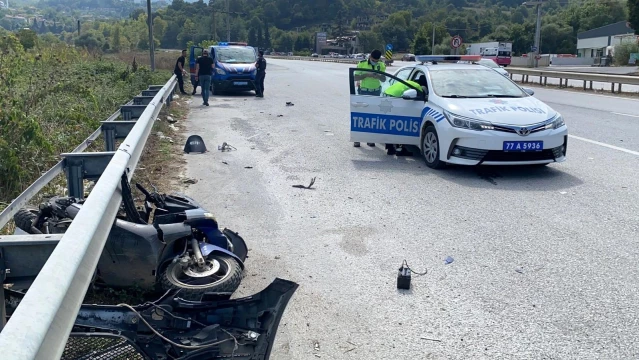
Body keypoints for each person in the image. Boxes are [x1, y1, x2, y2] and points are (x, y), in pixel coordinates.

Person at [352, 49, 386, 148]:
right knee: (360, 116)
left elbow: (384, 79)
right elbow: (355, 78)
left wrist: (378, 76)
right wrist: (366, 75)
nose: (374, 62)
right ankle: (357, 139)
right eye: (373, 60)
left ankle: (370, 139)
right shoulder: (362, 64)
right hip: (363, 91)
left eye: (376, 60)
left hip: (376, 92)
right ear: (370, 56)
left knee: (373, 117)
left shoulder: (381, 65)